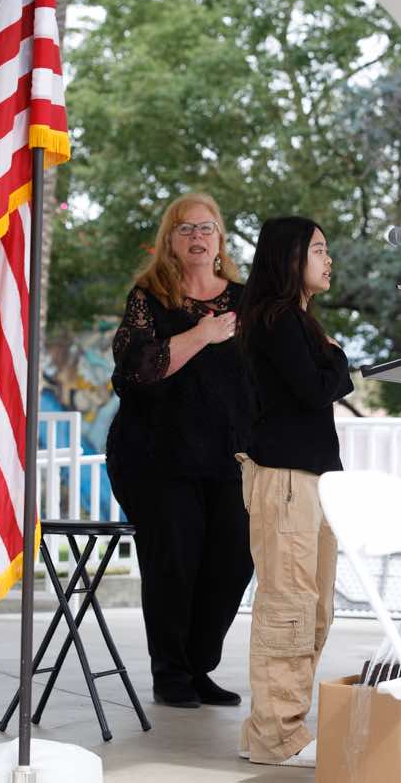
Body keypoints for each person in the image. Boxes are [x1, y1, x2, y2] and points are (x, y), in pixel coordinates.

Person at [106, 192, 254, 709]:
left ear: (220, 239)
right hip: (156, 457)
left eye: (206, 227)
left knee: (232, 563)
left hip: (228, 459)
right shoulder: (150, 297)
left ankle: (198, 665)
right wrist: (202, 334)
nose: (197, 236)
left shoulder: (246, 300)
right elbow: (136, 373)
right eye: (185, 228)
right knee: (174, 563)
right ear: (169, 240)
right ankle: (170, 673)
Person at [235, 216, 353, 767]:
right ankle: (277, 736)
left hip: (311, 480)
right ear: (290, 258)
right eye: (319, 250)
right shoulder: (277, 319)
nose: (329, 261)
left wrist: (330, 356)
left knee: (316, 608)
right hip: (285, 481)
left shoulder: (297, 322)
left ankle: (270, 728)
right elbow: (315, 390)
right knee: (290, 608)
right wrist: (338, 357)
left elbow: (316, 387)